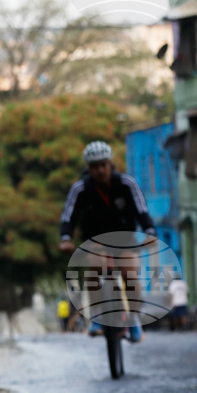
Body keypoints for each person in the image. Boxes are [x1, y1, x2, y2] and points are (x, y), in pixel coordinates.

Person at [59, 140, 156, 344]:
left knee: (130, 275)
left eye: (103, 164)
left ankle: (133, 318)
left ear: (110, 163)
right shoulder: (80, 189)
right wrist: (65, 238)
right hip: (94, 241)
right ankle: (97, 316)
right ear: (89, 168)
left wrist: (149, 232)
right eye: (95, 166)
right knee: (95, 267)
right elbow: (68, 216)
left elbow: (142, 210)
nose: (100, 170)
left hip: (125, 239)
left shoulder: (126, 183)